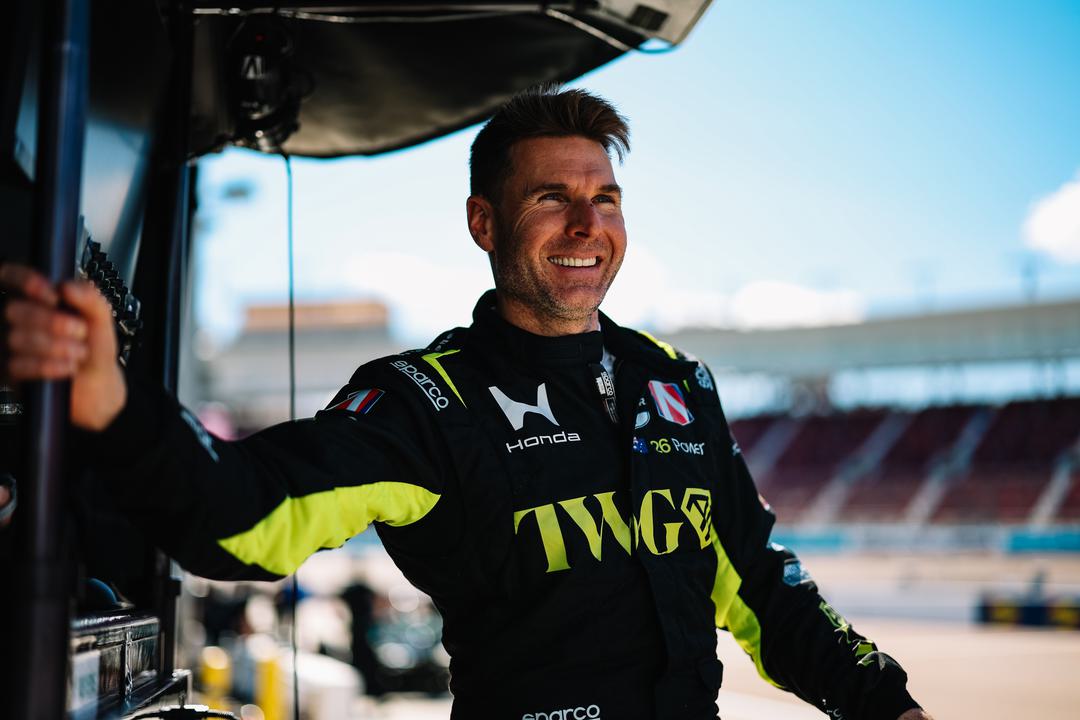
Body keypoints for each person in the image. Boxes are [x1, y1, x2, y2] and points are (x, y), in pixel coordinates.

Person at [1, 85, 932, 720]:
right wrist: (119, 405)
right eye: (552, 199)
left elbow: (764, 588)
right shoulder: (422, 400)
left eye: (606, 199)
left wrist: (884, 702)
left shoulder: (675, 382)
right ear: (484, 223)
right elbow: (246, 517)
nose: (588, 226)